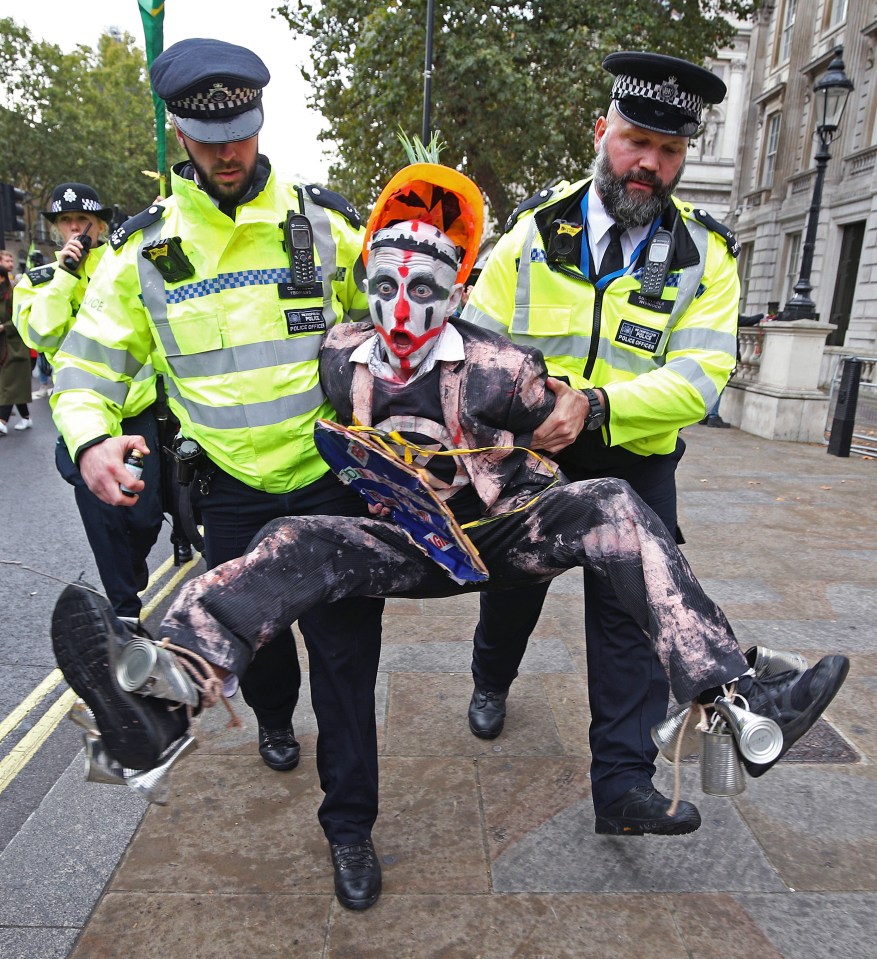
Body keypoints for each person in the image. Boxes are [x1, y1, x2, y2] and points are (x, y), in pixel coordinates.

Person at [50, 161, 850, 910]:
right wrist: (106, 434)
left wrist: (533, 441)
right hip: (397, 544)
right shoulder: (334, 357)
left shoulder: (501, 365)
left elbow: (563, 425)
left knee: (611, 500)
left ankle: (738, 704)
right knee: (294, 536)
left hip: (496, 535)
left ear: (458, 289)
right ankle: (161, 698)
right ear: (364, 285)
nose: (402, 311)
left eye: (426, 290)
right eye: (387, 287)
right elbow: (208, 368)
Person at [47, 38, 385, 907]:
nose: (229, 151)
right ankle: (273, 716)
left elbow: (390, 330)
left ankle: (350, 828)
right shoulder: (141, 253)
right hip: (230, 495)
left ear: (261, 120)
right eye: (209, 135)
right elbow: (86, 368)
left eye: (241, 129)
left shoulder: (324, 225)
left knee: (347, 667)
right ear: (179, 133)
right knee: (261, 651)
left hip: (333, 485)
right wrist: (90, 440)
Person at [460, 51, 742, 836]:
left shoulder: (704, 257)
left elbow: (700, 375)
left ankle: (622, 784)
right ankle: (490, 677)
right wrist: (526, 407)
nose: (649, 163)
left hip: (633, 459)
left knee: (629, 616)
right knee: (510, 590)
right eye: (635, 140)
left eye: (669, 150)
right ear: (601, 131)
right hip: (534, 456)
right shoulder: (530, 232)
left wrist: (598, 404)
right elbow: (480, 341)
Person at [13, 184, 165, 622]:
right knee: (103, 517)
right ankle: (124, 611)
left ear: (101, 225)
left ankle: (131, 568)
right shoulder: (40, 280)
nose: (75, 228)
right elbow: (41, 335)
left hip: (137, 410)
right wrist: (65, 276)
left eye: (84, 220)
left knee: (146, 515)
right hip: (83, 420)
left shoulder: (123, 265)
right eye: (66, 221)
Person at [0, 248, 33, 434]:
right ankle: (26, 417)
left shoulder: (12, 293)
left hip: (14, 347)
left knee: (8, 384)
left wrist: (4, 326)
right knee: (14, 385)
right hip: (3, 347)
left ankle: (2, 421)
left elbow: (19, 317)